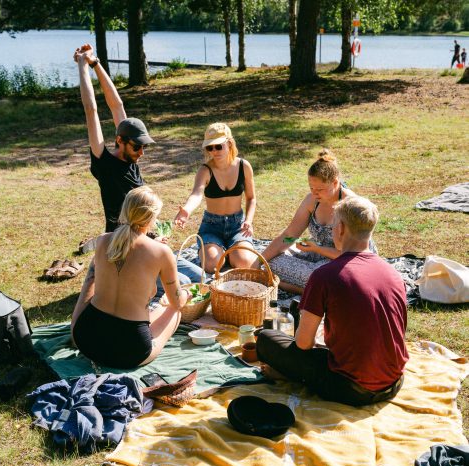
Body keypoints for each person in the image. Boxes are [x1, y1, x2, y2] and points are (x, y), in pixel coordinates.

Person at [74, 43, 201, 295]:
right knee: (184, 285)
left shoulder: (130, 150)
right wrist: (81, 66)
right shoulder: (104, 162)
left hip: (146, 238)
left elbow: (116, 104)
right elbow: (92, 109)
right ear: (119, 141)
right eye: (136, 148)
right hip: (124, 247)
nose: (141, 153)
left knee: (200, 275)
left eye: (143, 148)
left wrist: (96, 63)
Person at [256, 196, 409, 406]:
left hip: (352, 388)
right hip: (394, 382)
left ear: (341, 229)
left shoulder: (325, 275)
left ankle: (293, 376)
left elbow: (303, 344)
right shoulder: (393, 274)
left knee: (266, 339)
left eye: (334, 225)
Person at [71, 186, 190, 369]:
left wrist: (76, 328)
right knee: (174, 311)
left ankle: (77, 328)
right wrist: (186, 295)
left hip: (86, 339)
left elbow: (90, 283)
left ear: (124, 210)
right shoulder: (161, 252)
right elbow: (177, 303)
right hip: (131, 351)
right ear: (151, 219)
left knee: (91, 281)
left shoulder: (102, 240)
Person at [256, 149, 377, 294]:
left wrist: (317, 248)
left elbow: (351, 253)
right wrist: (258, 261)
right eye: (311, 188)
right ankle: (312, 289)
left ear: (335, 182)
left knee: (319, 276)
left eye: (320, 189)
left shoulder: (350, 205)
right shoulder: (312, 201)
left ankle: (304, 288)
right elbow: (289, 235)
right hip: (319, 253)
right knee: (271, 262)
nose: (314, 193)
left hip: (348, 260)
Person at [174, 123, 257, 273]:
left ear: (229, 143)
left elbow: (251, 198)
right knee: (212, 265)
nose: (214, 151)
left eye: (218, 146)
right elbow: (197, 193)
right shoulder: (205, 170)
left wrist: (249, 221)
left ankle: (233, 253)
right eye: (209, 147)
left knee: (244, 262)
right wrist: (186, 210)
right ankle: (221, 253)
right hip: (212, 226)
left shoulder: (244, 166)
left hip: (237, 225)